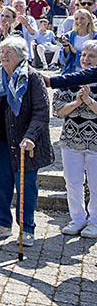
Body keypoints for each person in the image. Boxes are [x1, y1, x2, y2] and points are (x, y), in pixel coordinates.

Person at [0, 36, 53, 246]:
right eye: (2, 52)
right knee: (0, 184)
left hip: (25, 144)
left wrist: (31, 136)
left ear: (21, 56)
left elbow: (41, 112)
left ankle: (27, 228)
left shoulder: (32, 77)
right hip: (0, 142)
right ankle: (3, 223)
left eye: (8, 53)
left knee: (26, 188)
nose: (3, 56)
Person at [52, 40, 97, 238]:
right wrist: (76, 102)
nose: (86, 59)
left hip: (95, 142)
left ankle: (94, 221)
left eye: (91, 56)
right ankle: (77, 218)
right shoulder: (70, 80)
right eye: (83, 55)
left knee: (95, 184)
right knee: (72, 181)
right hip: (71, 139)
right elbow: (58, 110)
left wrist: (88, 100)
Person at [59, 9, 97, 75]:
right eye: (76, 19)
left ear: (89, 20)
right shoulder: (69, 36)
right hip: (72, 73)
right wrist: (66, 47)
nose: (79, 21)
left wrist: (75, 52)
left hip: (92, 74)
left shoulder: (95, 37)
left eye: (82, 18)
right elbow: (63, 61)